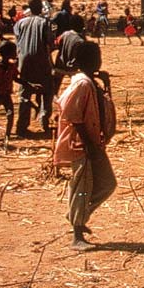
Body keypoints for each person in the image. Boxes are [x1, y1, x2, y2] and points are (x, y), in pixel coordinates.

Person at [54, 41, 117, 251]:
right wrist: (88, 144)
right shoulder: (81, 83)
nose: (99, 60)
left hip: (92, 142)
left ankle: (77, 216)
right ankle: (77, 234)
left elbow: (104, 107)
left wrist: (106, 85)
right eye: (96, 57)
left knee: (107, 183)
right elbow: (71, 113)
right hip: (81, 144)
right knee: (81, 186)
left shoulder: (91, 82)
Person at [14, 0, 55, 136]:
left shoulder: (20, 23)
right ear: (40, 8)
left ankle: (22, 126)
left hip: (24, 62)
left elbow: (17, 42)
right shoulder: (44, 22)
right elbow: (50, 42)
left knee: (25, 93)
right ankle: (44, 122)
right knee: (47, 92)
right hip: (41, 61)